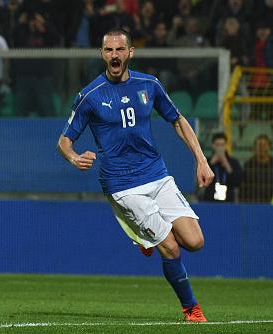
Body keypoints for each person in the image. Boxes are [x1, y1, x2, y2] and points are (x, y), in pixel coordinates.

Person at [57, 29, 214, 323]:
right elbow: (64, 141)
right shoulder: (90, 95)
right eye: (108, 50)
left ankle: (142, 235)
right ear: (102, 54)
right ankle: (191, 308)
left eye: (119, 49)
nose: (114, 55)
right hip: (122, 184)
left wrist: (201, 160)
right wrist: (74, 157)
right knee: (169, 245)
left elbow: (178, 121)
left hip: (157, 174)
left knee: (195, 241)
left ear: (131, 52)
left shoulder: (149, 84)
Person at [202, 132, 243, 202]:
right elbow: (201, 180)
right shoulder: (205, 161)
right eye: (217, 145)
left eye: (222, 145)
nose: (220, 148)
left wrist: (227, 165)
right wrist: (211, 163)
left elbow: (237, 182)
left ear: (226, 146)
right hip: (209, 200)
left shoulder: (233, 162)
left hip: (229, 200)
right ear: (213, 145)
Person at [239, 134, 273, 203]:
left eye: (264, 145)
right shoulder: (248, 165)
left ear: (269, 147)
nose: (262, 148)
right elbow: (243, 188)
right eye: (259, 145)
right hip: (252, 204)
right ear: (255, 148)